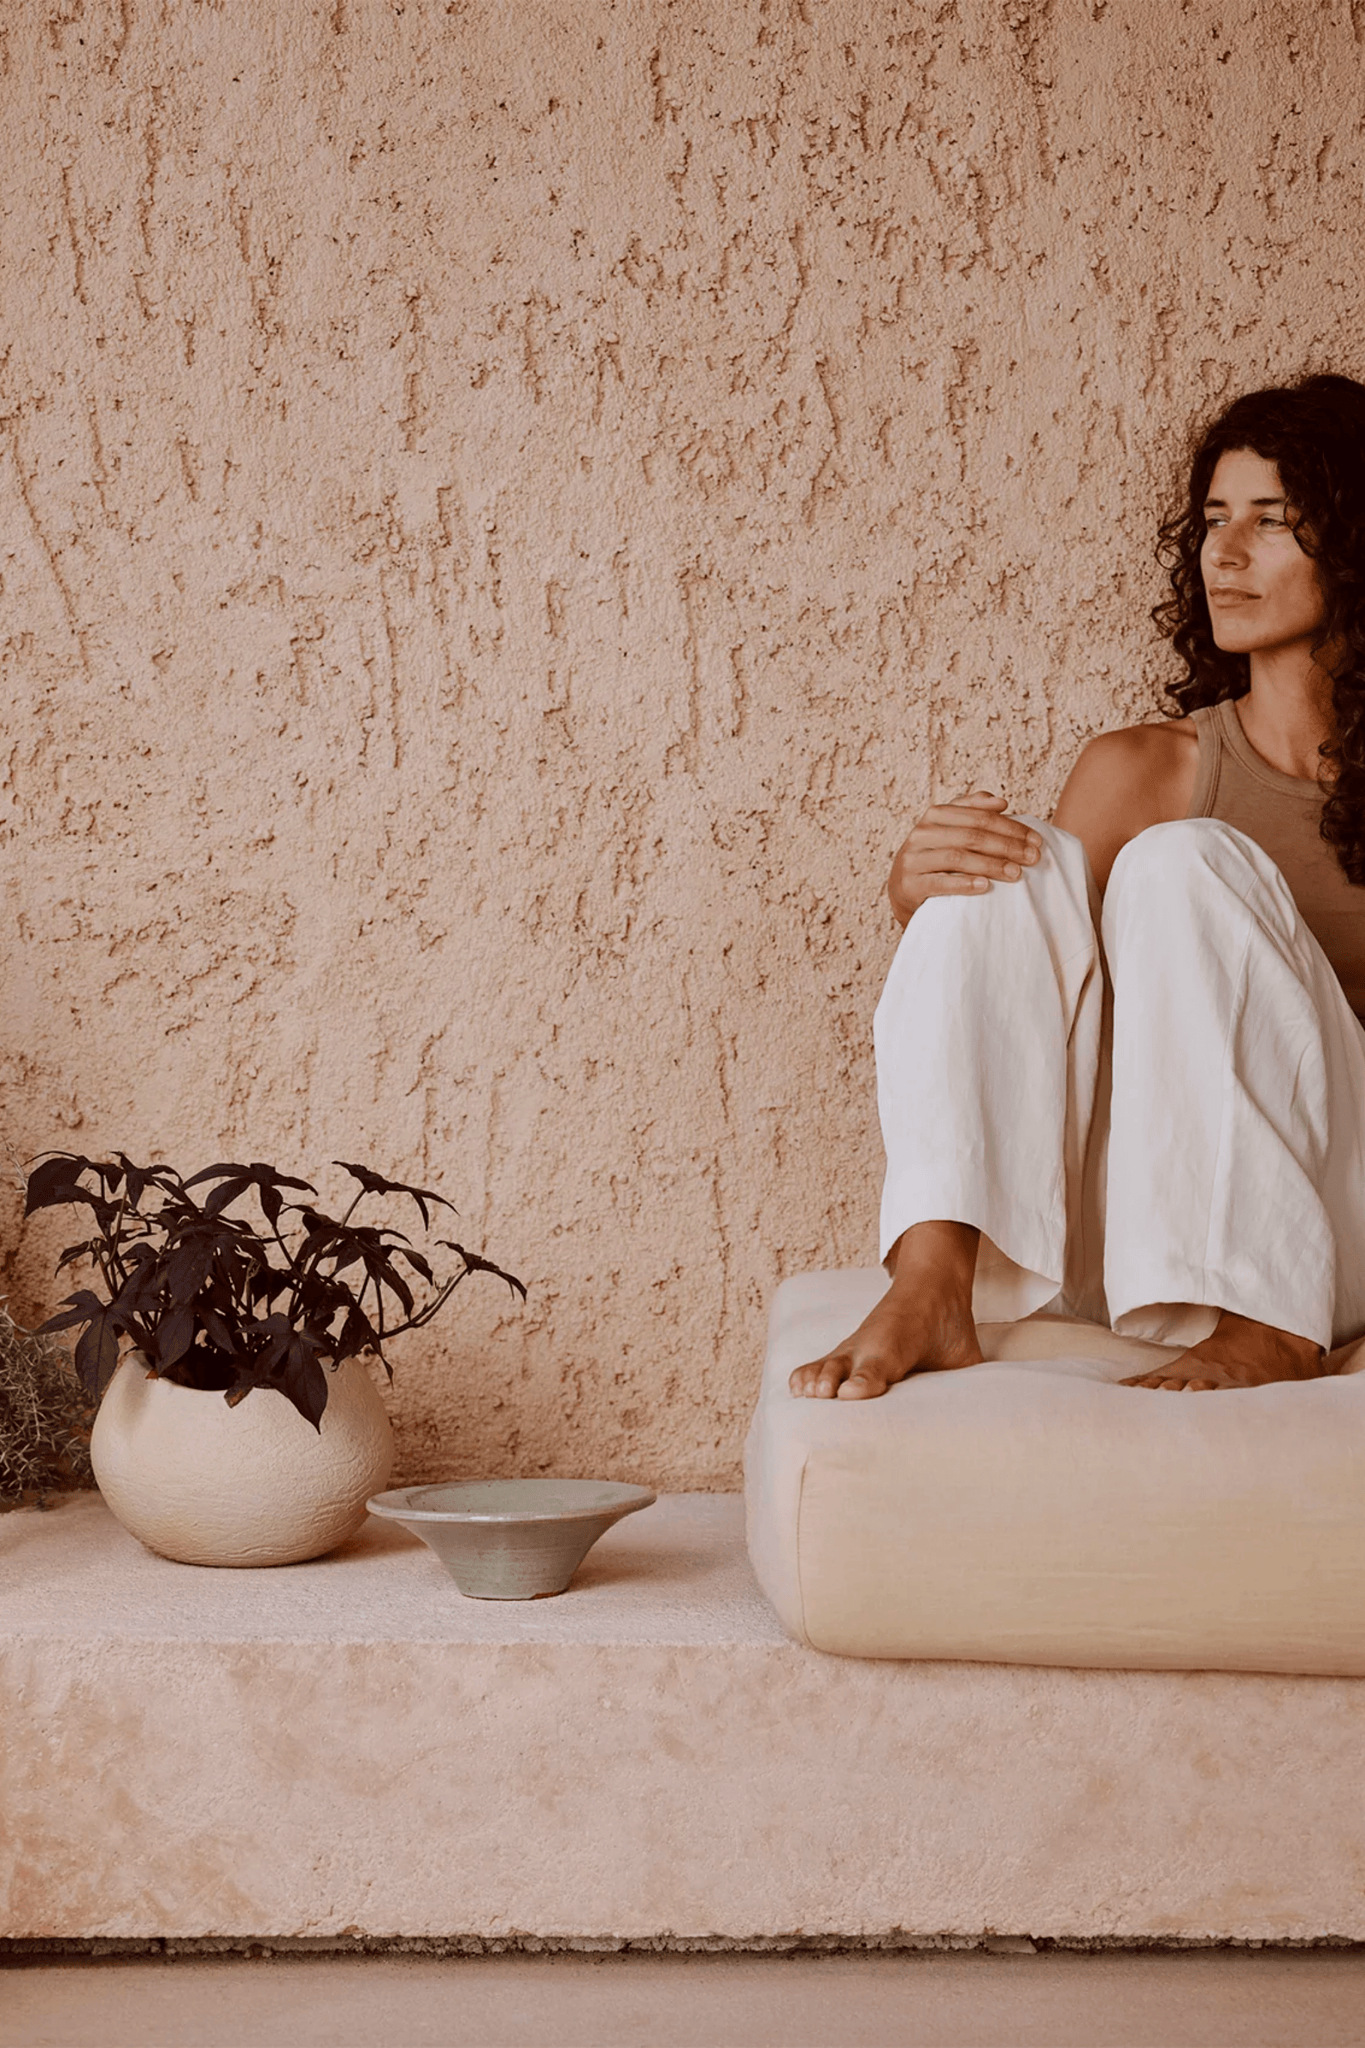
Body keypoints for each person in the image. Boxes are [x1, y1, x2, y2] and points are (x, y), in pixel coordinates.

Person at [791, 373, 1365, 1403]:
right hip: (1157, 1220)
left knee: (1183, 862)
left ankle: (1272, 1318)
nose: (1224, 554)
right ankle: (933, 1275)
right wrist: (916, 890)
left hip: (1344, 1215)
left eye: (1273, 524)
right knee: (1007, 863)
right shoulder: (1143, 768)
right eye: (1213, 521)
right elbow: (1043, 985)